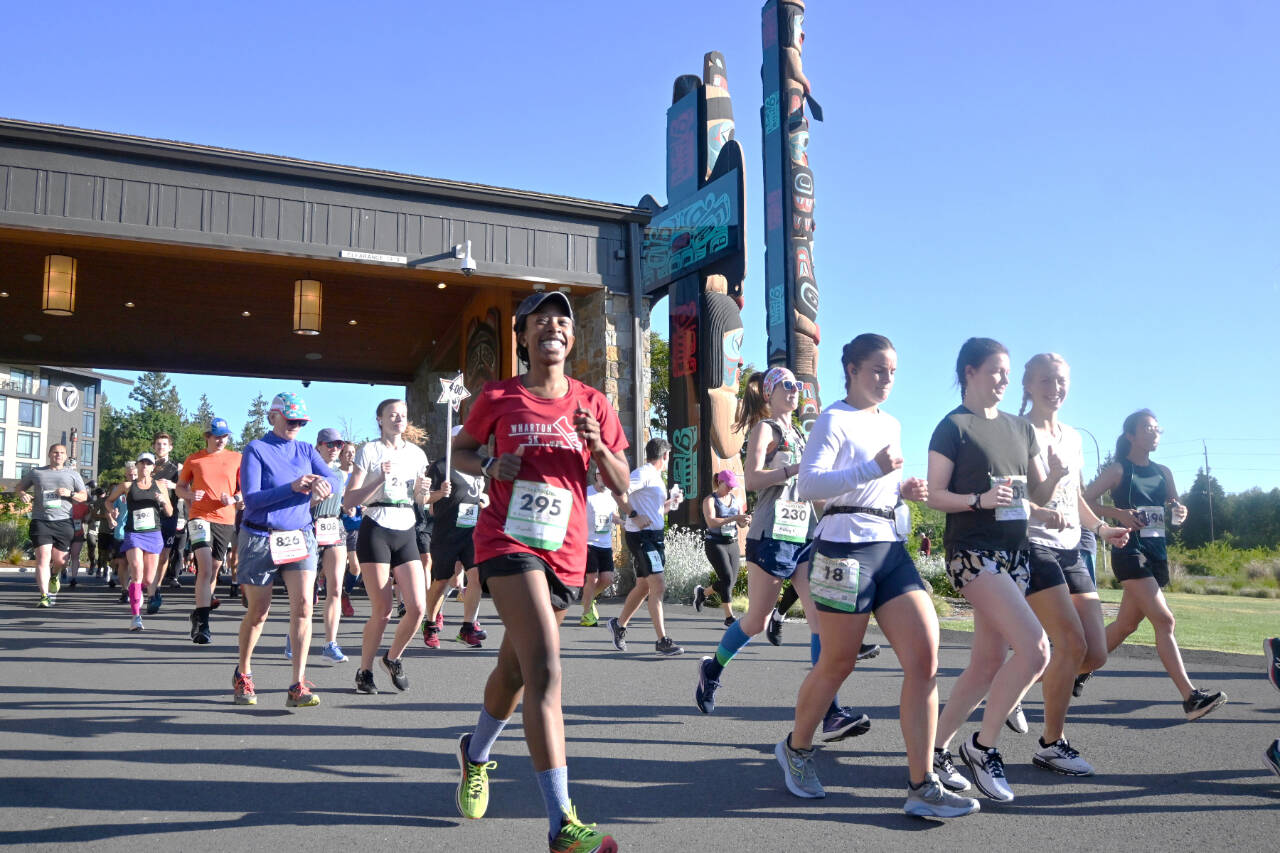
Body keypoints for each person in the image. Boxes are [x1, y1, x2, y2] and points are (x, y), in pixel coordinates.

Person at [772, 333, 978, 817]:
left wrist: (900, 489)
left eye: (892, 372)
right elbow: (808, 484)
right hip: (843, 549)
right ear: (852, 370)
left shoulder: (893, 423)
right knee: (838, 663)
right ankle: (796, 749)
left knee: (926, 658)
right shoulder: (833, 418)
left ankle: (921, 785)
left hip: (890, 549)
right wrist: (872, 468)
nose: (887, 380)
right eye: (878, 370)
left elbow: (875, 489)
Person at [451, 290, 627, 852]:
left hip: (566, 553)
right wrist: (488, 463)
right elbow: (460, 450)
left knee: (516, 671)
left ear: (571, 339)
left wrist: (599, 448)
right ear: (523, 337)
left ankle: (474, 754)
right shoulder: (499, 395)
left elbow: (622, 486)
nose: (553, 328)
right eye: (541, 322)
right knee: (547, 670)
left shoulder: (592, 403)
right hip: (506, 538)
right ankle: (562, 825)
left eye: (563, 322)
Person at [695, 367, 866, 739]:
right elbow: (753, 479)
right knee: (755, 621)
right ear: (770, 394)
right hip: (772, 534)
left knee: (819, 621)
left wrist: (841, 510)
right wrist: (790, 469)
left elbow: (811, 489)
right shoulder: (765, 430)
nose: (795, 391)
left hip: (805, 535)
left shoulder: (803, 437)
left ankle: (831, 712)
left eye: (798, 385)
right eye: (787, 385)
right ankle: (713, 669)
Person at [926, 337, 1059, 804]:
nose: (1004, 380)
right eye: (996, 372)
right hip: (971, 553)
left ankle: (934, 752)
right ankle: (982, 748)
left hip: (1015, 555)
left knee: (986, 664)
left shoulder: (1020, 429)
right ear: (969, 372)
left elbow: (1033, 496)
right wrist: (978, 501)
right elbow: (933, 494)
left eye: (1007, 373)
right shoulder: (952, 428)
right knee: (1036, 649)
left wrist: (1056, 485)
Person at [1017, 354, 1131, 776]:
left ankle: (1015, 688)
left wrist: (1101, 530)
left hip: (1071, 548)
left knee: (1095, 653)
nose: (1055, 387)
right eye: (1045, 380)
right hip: (1032, 543)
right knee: (1071, 644)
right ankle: (1052, 742)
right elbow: (1018, 493)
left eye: (1061, 380)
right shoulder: (1017, 429)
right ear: (1027, 385)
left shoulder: (1072, 436)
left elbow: (1076, 496)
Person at [1081, 409, 1227, 720]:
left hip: (1156, 552)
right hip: (1129, 551)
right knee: (1165, 621)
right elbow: (1083, 500)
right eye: (1147, 428)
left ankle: (1076, 669)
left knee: (1125, 626)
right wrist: (1117, 514)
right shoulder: (1119, 470)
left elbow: (1175, 506)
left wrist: (1180, 512)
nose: (1154, 433)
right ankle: (1190, 698)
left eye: (1157, 428)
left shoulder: (1164, 471)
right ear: (1131, 435)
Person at [233, 392, 339, 708]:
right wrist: (292, 487)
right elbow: (251, 499)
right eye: (291, 419)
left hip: (299, 536)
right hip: (259, 536)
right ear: (273, 416)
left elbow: (335, 478)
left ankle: (297, 683)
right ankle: (244, 672)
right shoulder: (256, 449)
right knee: (259, 611)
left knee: (304, 605)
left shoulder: (307, 449)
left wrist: (325, 485)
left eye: (301, 421)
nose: (296, 425)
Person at [343, 398, 430, 693]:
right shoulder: (370, 451)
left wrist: (426, 493)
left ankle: (392, 658)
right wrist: (378, 477)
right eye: (392, 415)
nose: (398, 419)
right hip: (376, 526)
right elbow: (349, 501)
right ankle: (364, 670)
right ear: (379, 419)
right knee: (383, 610)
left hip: (405, 526)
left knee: (418, 607)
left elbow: (420, 500)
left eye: (403, 415)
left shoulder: (417, 454)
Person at [606, 438, 685, 656]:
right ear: (665, 456)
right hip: (642, 536)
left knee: (644, 586)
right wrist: (634, 515)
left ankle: (618, 625)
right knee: (658, 585)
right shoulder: (643, 473)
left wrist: (671, 503)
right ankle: (662, 641)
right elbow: (617, 491)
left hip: (654, 535)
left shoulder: (656, 478)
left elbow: (655, 511)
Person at [178, 417, 242, 645]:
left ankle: (198, 613)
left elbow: (244, 491)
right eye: (217, 436)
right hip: (199, 516)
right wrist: (188, 495)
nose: (221, 440)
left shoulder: (236, 458)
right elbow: (180, 487)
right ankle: (203, 625)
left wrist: (234, 498)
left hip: (225, 519)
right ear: (207, 436)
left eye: (225, 436)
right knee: (204, 568)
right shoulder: (194, 459)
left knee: (214, 568)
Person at [423, 425, 488, 649]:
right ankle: (430, 623)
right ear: (451, 441)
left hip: (472, 531)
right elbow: (423, 499)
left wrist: (483, 502)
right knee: (441, 581)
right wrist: (439, 493)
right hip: (447, 531)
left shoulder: (477, 466)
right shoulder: (440, 466)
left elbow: (478, 493)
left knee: (476, 577)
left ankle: (468, 627)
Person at [105, 451, 173, 630]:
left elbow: (170, 512)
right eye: (141, 463)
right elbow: (108, 501)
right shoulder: (127, 485)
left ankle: (136, 588)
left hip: (153, 533)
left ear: (153, 467)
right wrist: (112, 511)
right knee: (136, 569)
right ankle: (136, 617)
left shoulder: (160, 485)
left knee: (149, 579)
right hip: (133, 533)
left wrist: (162, 501)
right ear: (137, 466)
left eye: (148, 463)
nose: (144, 466)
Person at [15, 444, 88, 606]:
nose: (58, 455)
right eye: (55, 452)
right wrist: (22, 494)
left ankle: (54, 574)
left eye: (62, 453)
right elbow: (19, 487)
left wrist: (70, 493)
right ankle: (44, 596)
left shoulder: (73, 475)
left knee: (61, 561)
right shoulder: (37, 472)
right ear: (49, 454)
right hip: (41, 521)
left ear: (66, 456)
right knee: (42, 558)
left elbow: (84, 496)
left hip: (63, 521)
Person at [309, 427, 351, 662]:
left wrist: (349, 506)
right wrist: (315, 500)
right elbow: (297, 505)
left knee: (335, 588)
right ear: (319, 446)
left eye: (338, 445)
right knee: (306, 592)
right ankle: (294, 636)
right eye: (330, 444)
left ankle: (330, 643)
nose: (335, 449)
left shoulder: (341, 474)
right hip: (310, 527)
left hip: (335, 528)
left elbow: (343, 500)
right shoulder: (306, 469)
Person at [696, 469, 749, 626]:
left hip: (732, 543)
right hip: (715, 543)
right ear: (719, 483)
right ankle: (729, 618)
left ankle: (702, 593)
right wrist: (733, 517)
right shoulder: (710, 500)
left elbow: (741, 523)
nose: (731, 489)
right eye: (728, 486)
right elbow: (711, 522)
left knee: (730, 582)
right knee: (726, 578)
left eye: (733, 486)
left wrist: (745, 520)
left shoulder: (735, 499)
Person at [145, 432, 185, 610]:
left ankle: (157, 586)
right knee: (148, 555)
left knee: (164, 555)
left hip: (169, 514)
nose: (161, 447)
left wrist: (173, 486)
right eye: (158, 444)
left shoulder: (178, 467)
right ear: (154, 446)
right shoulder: (147, 466)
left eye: (164, 444)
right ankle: (148, 586)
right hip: (148, 515)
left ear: (170, 447)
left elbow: (187, 489)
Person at [579, 465, 620, 628]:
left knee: (607, 579)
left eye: (607, 476)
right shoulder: (587, 493)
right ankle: (586, 614)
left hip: (605, 544)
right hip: (588, 543)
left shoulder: (611, 496)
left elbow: (614, 515)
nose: (604, 479)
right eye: (601, 475)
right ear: (596, 476)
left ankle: (588, 598)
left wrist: (621, 521)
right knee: (592, 578)